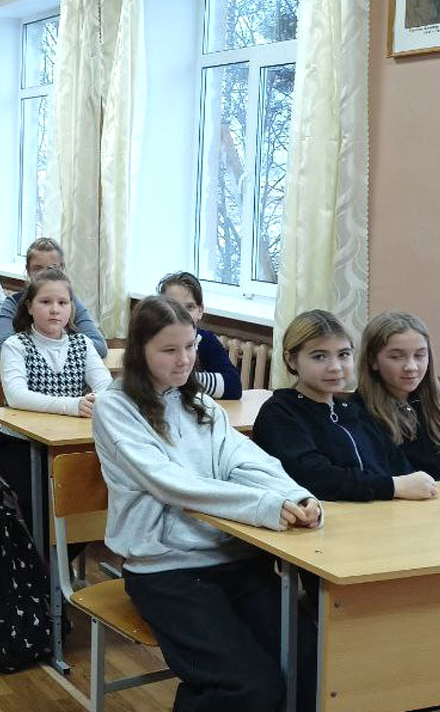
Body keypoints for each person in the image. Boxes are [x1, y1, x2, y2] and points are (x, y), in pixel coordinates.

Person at [94, 295, 321, 712]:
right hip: (166, 570)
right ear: (139, 351)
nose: (184, 360)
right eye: (169, 349)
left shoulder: (198, 402)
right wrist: (264, 505)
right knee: (249, 687)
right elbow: (171, 484)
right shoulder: (116, 406)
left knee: (313, 663)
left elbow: (246, 459)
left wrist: (296, 495)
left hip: (234, 559)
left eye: (190, 346)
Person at [253, 309, 438, 502]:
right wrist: (392, 487)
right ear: (291, 359)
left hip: (378, 511)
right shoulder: (280, 413)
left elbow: (398, 467)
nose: (335, 367)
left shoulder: (352, 411)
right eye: (319, 357)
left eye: (343, 354)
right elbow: (316, 477)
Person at [0, 269, 112, 544]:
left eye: (62, 302)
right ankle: (44, 560)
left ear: (71, 308)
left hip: (70, 443)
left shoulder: (82, 343)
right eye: (45, 302)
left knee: (91, 498)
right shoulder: (16, 345)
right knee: (43, 500)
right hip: (21, 445)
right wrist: (73, 405)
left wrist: (97, 399)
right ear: (29, 307)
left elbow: (106, 386)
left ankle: (63, 556)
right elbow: (17, 396)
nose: (55, 309)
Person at [356, 311, 440, 481]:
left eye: (419, 355)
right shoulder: (358, 414)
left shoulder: (439, 409)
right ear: (373, 360)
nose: (411, 366)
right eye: (397, 357)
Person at [0, 237, 108, 358]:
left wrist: (57, 349)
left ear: (62, 269)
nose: (44, 274)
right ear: (28, 270)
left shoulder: (70, 301)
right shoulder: (13, 302)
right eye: (37, 269)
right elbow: (2, 347)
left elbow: (99, 346)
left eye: (51, 269)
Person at [157, 271, 242, 399]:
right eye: (174, 307)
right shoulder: (152, 341)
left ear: (200, 311)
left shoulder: (205, 340)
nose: (182, 315)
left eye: (190, 307)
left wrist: (183, 378)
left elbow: (233, 386)